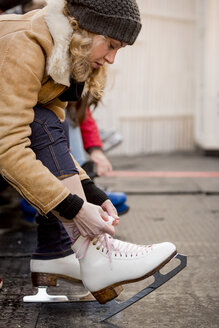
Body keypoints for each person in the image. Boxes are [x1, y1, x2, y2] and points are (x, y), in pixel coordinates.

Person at [0, 0, 177, 304]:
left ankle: (70, 252)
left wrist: (91, 193)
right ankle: (93, 254)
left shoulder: (60, 53)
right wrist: (75, 209)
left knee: (45, 121)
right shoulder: (24, 44)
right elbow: (8, 145)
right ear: (83, 28)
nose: (111, 59)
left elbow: (52, 141)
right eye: (111, 45)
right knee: (39, 121)